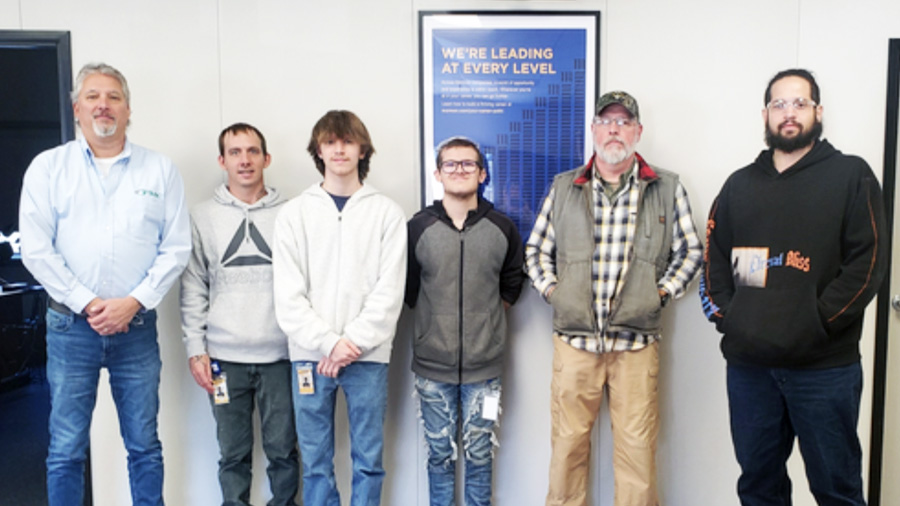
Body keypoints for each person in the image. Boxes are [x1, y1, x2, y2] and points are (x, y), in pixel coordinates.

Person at [700, 69, 887, 505]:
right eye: (779, 104)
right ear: (765, 114)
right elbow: (714, 263)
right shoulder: (738, 186)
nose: (789, 113)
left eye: (799, 103)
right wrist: (733, 319)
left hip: (825, 369)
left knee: (836, 490)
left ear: (818, 112)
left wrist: (817, 322)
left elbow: (869, 264)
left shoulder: (851, 175)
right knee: (759, 487)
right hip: (751, 370)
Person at [18, 62, 191, 506]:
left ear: (129, 110)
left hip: (136, 330)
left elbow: (175, 248)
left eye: (113, 97)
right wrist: (91, 302)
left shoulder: (160, 170)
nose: (103, 105)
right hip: (70, 329)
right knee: (66, 449)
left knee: (144, 447)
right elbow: (37, 250)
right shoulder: (48, 168)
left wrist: (132, 302)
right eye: (93, 96)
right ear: (77, 109)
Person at [525, 90, 703, 506]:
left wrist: (659, 294)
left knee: (637, 457)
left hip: (636, 346)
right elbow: (534, 251)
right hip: (575, 344)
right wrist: (556, 291)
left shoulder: (666, 187)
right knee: (567, 451)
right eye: (607, 121)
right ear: (593, 131)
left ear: (638, 131)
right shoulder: (565, 187)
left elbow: (692, 251)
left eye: (624, 122)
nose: (615, 130)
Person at [272, 110, 406, 506]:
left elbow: (389, 291)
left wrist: (351, 343)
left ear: (362, 148)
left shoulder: (387, 213)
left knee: (369, 461)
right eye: (330, 142)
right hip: (309, 357)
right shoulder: (295, 214)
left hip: (368, 357)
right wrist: (329, 344)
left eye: (347, 141)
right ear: (318, 149)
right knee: (314, 462)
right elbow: (288, 296)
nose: (339, 149)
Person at [180, 123, 299, 506]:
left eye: (252, 151)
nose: (244, 160)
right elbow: (194, 284)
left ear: (267, 158)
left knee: (284, 452)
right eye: (235, 152)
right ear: (222, 160)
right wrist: (195, 348)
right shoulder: (202, 216)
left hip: (282, 356)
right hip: (223, 360)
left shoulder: (293, 213)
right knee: (232, 454)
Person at [406, 137, 525, 506]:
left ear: (482, 173)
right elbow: (409, 289)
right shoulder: (417, 228)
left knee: (479, 455)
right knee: (439, 456)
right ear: (438, 173)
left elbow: (511, 285)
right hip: (431, 368)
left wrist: (482, 323)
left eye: (468, 164)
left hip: (484, 369)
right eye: (451, 164)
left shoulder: (502, 228)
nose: (459, 170)